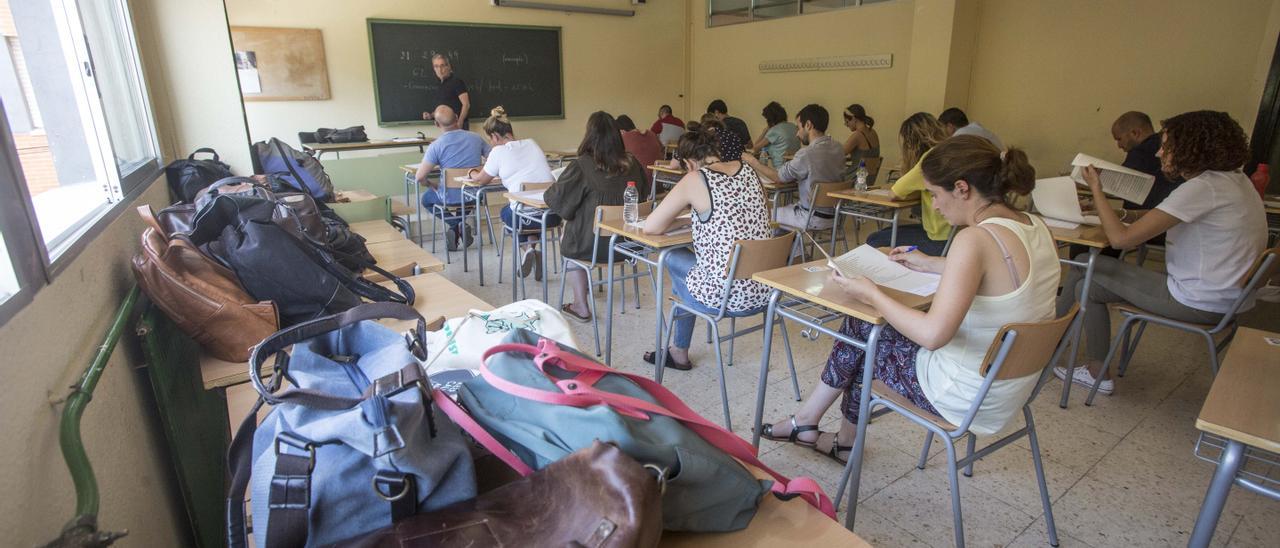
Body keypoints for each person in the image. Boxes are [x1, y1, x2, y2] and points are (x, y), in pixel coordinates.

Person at [760, 135, 1057, 463]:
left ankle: (816, 428)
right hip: (1011, 387)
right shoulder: (1035, 227)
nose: (934, 205)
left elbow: (932, 335)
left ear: (962, 188)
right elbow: (1001, 279)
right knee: (866, 337)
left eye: (933, 194)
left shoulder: (975, 239)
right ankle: (824, 432)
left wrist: (871, 293)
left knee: (864, 333)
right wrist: (931, 263)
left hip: (964, 395)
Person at [1054, 110, 1267, 395]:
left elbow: (1120, 240)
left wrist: (1097, 191)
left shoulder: (1202, 188)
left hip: (1198, 301)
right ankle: (1060, 345)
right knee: (1084, 272)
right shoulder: (1233, 181)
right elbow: (1162, 215)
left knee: (1085, 273)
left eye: (1166, 146)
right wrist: (1119, 211)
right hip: (1229, 299)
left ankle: (1067, 356)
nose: (1159, 153)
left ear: (1192, 149)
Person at [640, 126, 773, 370]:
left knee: (669, 255)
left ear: (690, 162)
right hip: (765, 290)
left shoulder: (696, 178)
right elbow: (761, 213)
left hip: (724, 296)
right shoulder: (749, 171)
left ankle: (678, 350)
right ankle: (678, 349)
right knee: (692, 270)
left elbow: (651, 226)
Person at [545, 111, 649, 323]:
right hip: (630, 245)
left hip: (592, 247)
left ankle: (580, 305)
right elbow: (644, 196)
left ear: (589, 136)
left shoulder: (582, 166)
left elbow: (557, 202)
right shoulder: (634, 163)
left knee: (569, 233)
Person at [1070, 111, 1182, 258]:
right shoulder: (1193, 184)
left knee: (1086, 243)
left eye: (1119, 139)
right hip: (1156, 221)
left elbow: (1120, 239)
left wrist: (1091, 183)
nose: (1159, 154)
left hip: (1151, 227)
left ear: (1135, 133)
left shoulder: (1141, 152)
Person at [467, 106, 559, 279]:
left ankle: (528, 250)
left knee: (509, 211)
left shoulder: (497, 152)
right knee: (527, 209)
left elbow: (480, 180)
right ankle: (532, 248)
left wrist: (472, 171)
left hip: (524, 217)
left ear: (494, 136)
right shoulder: (532, 143)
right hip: (552, 215)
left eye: (490, 140)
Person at [743, 104, 845, 231]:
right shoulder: (839, 148)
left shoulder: (806, 154)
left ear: (808, 125)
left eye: (798, 127)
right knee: (785, 211)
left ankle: (778, 249)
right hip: (836, 216)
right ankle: (794, 250)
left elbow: (778, 177)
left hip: (809, 217)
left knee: (763, 213)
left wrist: (752, 161)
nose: (797, 133)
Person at [864, 113, 953, 255]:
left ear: (911, 142)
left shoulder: (929, 160)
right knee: (888, 231)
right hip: (955, 236)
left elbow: (895, 193)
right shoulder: (950, 151)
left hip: (939, 241)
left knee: (875, 239)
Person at [417, 105, 491, 250]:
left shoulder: (436, 146)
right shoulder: (476, 138)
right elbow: (494, 157)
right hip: (474, 195)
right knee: (464, 198)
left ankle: (454, 225)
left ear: (436, 124)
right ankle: (459, 224)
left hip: (448, 196)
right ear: (457, 118)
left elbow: (420, 177)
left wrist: (432, 185)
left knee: (426, 200)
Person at [421, 54, 471, 130]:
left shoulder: (456, 82)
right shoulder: (439, 84)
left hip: (457, 125)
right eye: (436, 66)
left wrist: (460, 122)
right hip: (444, 126)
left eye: (442, 65)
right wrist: (431, 115)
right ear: (434, 68)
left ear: (448, 66)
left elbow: (466, 104)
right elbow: (444, 107)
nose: (440, 69)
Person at [751, 101, 801, 168]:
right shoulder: (793, 126)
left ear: (770, 119)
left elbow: (756, 148)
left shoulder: (775, 130)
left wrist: (765, 131)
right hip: (795, 166)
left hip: (780, 169)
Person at [617, 115, 664, 180]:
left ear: (621, 131)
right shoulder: (652, 134)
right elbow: (662, 151)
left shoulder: (624, 138)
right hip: (658, 180)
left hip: (638, 183)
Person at [842, 104, 881, 182]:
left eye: (847, 121)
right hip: (869, 179)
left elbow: (839, 153)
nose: (846, 125)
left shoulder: (857, 135)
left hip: (856, 179)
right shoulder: (873, 132)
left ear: (854, 119)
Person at [939, 107, 1003, 150]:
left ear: (950, 127)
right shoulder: (977, 129)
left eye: (942, 128)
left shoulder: (960, 137)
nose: (941, 133)